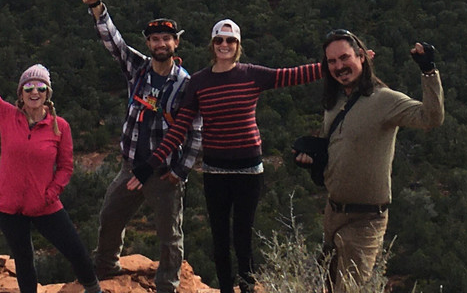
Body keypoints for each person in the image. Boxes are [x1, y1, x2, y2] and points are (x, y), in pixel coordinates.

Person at [128, 18, 323, 293]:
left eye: (230, 40)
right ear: (212, 44)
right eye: (219, 40)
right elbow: (179, 129)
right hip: (215, 170)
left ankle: (247, 287)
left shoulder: (252, 74)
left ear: (238, 45)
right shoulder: (199, 82)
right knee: (219, 237)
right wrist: (149, 165)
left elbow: (294, 75)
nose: (224, 45)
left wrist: (338, 64)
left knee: (243, 236)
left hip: (249, 170)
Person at [82, 0, 203, 293]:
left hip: (163, 173)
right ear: (148, 43)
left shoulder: (186, 85)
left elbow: (196, 132)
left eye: (166, 38)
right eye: (155, 39)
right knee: (110, 216)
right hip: (131, 166)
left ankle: (167, 285)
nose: (161, 44)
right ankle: (106, 269)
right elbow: (114, 43)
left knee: (169, 235)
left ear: (176, 43)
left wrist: (180, 172)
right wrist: (97, 8)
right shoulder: (138, 69)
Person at [302, 29, 444, 291]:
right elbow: (339, 149)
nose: (339, 66)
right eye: (332, 61)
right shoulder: (334, 101)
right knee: (327, 286)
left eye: (344, 58)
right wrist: (313, 160)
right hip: (333, 214)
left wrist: (428, 71)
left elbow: (431, 117)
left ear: (361, 57)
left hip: (366, 218)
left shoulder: (384, 99)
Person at [0, 24, 102, 293]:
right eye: (28, 87)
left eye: (40, 87)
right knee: (24, 259)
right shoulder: (7, 116)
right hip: (7, 205)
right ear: (21, 93)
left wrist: (50, 194)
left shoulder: (60, 126)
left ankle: (94, 289)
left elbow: (66, 167)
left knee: (76, 250)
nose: (34, 92)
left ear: (47, 93)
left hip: (44, 203)